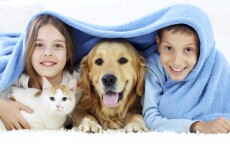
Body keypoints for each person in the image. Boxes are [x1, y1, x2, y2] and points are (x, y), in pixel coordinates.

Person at [142, 24, 230, 134]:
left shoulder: (216, 65)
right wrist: (199, 126)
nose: (177, 61)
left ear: (202, 48)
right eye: (169, 48)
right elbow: (152, 118)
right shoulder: (154, 66)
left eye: (188, 50)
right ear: (158, 43)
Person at [0, 14, 80, 130]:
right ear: (28, 51)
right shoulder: (16, 77)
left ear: (68, 53)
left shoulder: (78, 82)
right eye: (39, 45)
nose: (48, 53)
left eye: (58, 45)